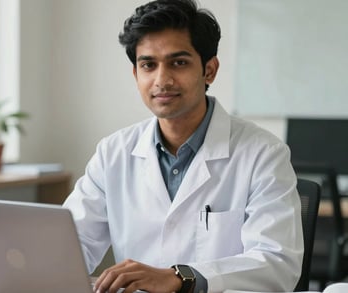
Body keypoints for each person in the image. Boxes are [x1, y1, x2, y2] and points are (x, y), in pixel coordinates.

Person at [63, 0, 303, 292]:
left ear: (209, 70)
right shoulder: (113, 153)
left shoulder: (263, 153)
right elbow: (69, 247)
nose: (162, 80)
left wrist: (181, 277)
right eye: (148, 65)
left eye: (179, 62)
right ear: (136, 74)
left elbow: (276, 263)